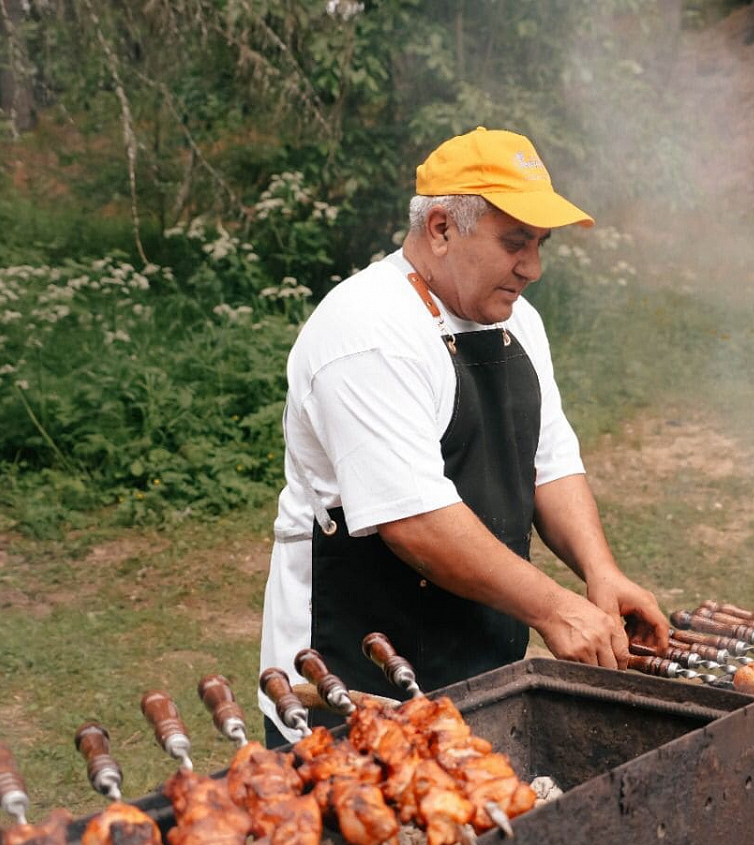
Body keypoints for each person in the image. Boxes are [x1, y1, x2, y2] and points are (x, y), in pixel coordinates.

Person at [258, 127, 669, 743]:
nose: (532, 268)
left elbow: (548, 463)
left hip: (482, 656)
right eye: (515, 243)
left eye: (539, 244)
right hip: (355, 670)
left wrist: (599, 572)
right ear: (442, 228)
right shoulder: (368, 330)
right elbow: (415, 520)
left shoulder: (516, 320)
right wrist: (555, 608)